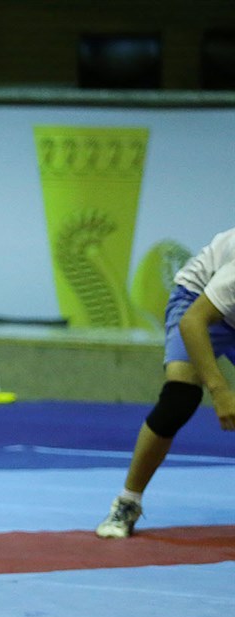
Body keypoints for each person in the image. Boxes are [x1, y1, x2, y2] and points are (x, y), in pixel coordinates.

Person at [96, 226, 235, 538]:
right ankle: (128, 502)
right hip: (199, 302)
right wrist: (220, 391)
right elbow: (193, 321)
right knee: (180, 398)